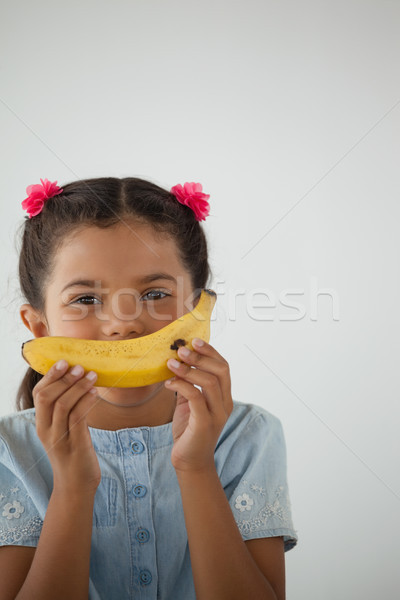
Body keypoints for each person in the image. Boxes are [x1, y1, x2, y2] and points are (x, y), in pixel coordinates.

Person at [0, 176, 298, 600]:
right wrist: (73, 485)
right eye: (85, 299)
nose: (124, 323)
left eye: (156, 293)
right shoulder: (9, 451)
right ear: (40, 326)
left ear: (196, 311)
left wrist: (196, 468)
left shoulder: (251, 437)